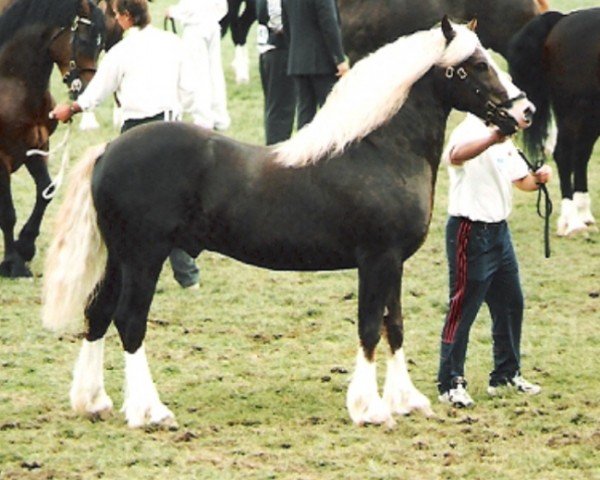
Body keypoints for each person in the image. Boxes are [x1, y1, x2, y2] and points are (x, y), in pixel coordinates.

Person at [50, 0, 202, 289]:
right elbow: (191, 92)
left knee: (129, 207)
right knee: (174, 202)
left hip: (136, 133)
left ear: (127, 18)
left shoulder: (120, 52)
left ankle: (122, 270)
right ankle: (188, 276)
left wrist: (70, 109)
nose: (115, 21)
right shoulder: (173, 42)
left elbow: (96, 93)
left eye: (117, 15)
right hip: (173, 130)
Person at [437, 113, 552, 408]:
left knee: (511, 303)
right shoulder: (469, 131)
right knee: (463, 307)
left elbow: (521, 181)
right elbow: (454, 156)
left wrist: (538, 180)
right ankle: (450, 382)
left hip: (500, 232)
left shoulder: (503, 137)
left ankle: (505, 374)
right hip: (469, 231)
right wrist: (491, 139)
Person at [281, 0, 349, 129]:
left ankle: (303, 148)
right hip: (322, 61)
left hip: (298, 60)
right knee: (331, 112)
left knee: (304, 115)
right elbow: (329, 24)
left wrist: (295, 52)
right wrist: (339, 58)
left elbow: (286, 25)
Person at [166, 0, 231, 131]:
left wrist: (173, 11)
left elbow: (190, 6)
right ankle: (219, 115)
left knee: (198, 74)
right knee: (214, 72)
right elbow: (223, 7)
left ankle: (204, 118)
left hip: (195, 27)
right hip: (212, 25)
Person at [256, 0, 296, 144]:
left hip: (269, 48)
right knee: (281, 110)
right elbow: (276, 16)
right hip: (279, 49)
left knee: (276, 108)